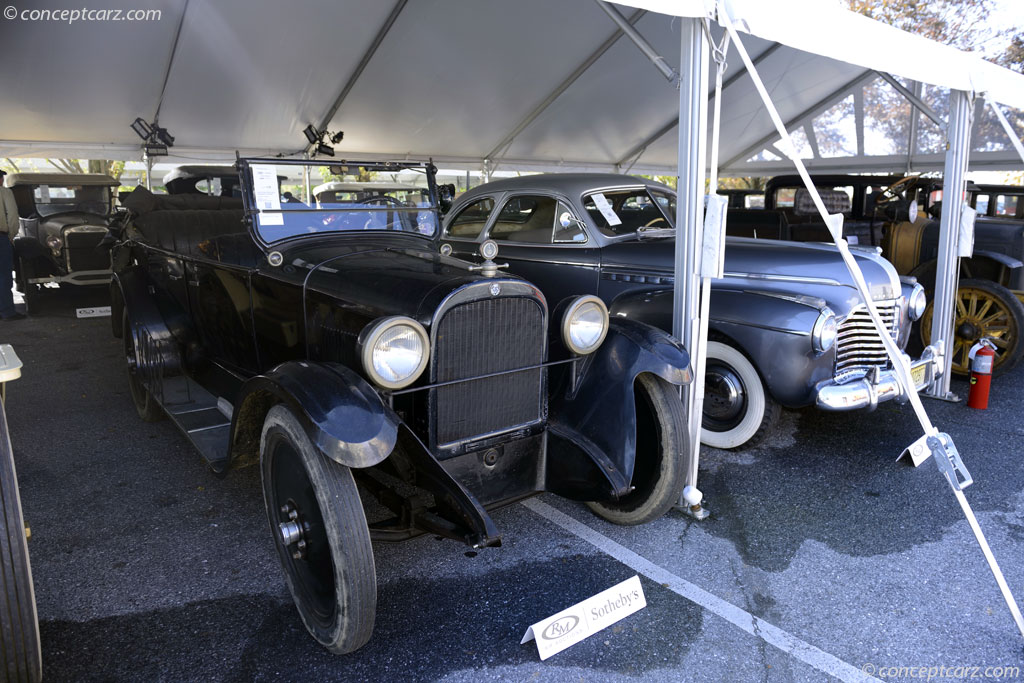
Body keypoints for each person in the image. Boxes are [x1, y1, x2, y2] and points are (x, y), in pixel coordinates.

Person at [0, 171, 25, 320]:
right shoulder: (5, 192)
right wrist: (11, 235)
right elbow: (13, 215)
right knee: (3, 276)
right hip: (1, 238)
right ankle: (7, 311)